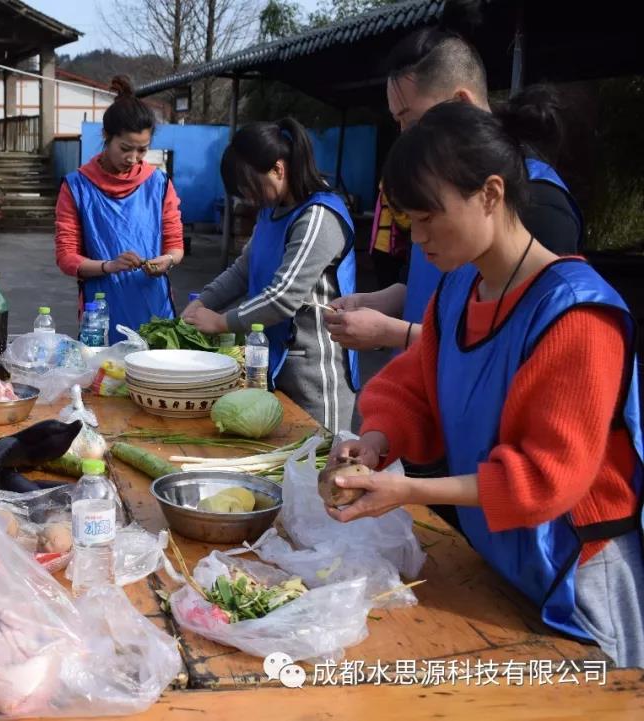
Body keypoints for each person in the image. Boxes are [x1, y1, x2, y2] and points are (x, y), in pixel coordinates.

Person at [328, 101, 644, 668]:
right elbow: (414, 390)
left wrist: (410, 492)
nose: (417, 238)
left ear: (491, 194)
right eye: (408, 221)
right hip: (504, 559)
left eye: (429, 218)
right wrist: (375, 442)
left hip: (580, 574)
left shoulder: (575, 315)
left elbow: (548, 479)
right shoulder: (458, 293)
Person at [326, 27, 583, 352]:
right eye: (398, 123)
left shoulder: (539, 201)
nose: (405, 137)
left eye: (412, 120)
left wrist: (394, 333)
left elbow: (517, 346)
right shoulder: (438, 188)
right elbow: (428, 283)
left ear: (491, 197)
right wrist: (378, 301)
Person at [183, 119, 360, 433]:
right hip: (271, 365)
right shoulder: (271, 211)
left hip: (314, 379)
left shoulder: (318, 215)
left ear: (279, 169)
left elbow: (284, 296)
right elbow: (243, 270)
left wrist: (222, 321)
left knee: (318, 467)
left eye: (252, 187)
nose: (250, 199)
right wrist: (202, 304)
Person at [54, 75, 184, 343]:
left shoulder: (159, 185)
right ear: (106, 136)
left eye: (142, 150)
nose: (133, 158)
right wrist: (109, 266)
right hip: (100, 315)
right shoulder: (76, 186)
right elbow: (67, 257)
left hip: (156, 312)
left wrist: (166, 261)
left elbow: (175, 247)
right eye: (125, 148)